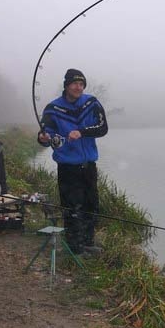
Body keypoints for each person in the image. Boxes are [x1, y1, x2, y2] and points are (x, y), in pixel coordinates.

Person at [38, 68, 108, 255]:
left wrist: (82, 132)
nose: (78, 87)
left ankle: (88, 242)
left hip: (89, 165)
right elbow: (45, 136)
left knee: (91, 205)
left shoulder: (92, 103)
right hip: (68, 167)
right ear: (66, 85)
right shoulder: (52, 109)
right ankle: (74, 248)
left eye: (81, 84)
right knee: (72, 208)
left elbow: (102, 128)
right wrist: (43, 138)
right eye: (75, 84)